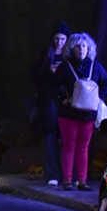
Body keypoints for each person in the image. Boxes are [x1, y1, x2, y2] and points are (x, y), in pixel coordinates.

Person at [55, 32, 107, 191]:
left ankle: (81, 180)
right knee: (69, 146)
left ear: (90, 49)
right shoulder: (65, 67)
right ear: (72, 49)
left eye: (85, 46)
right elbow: (54, 86)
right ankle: (67, 180)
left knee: (83, 147)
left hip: (88, 114)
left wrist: (99, 98)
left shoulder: (96, 66)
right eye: (78, 46)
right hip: (68, 114)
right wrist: (62, 99)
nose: (82, 49)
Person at [31, 27, 70, 187]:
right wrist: (49, 71)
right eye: (56, 39)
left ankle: (67, 174)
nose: (59, 42)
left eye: (62, 39)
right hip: (49, 101)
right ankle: (52, 174)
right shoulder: (46, 56)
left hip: (67, 101)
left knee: (68, 139)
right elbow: (36, 77)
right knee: (50, 136)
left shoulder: (70, 56)